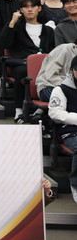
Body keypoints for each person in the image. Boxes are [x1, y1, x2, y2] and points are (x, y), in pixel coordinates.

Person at [1, 0, 55, 122]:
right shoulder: (16, 27)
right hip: (22, 63)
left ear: (39, 8)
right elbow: (5, 43)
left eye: (33, 6)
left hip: (44, 65)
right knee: (22, 72)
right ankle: (19, 110)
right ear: (21, 10)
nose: (29, 9)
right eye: (26, 7)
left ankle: (41, 108)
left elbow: (52, 51)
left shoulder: (48, 30)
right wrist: (12, 23)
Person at [47, 56, 77, 203]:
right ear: (72, 70)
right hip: (71, 131)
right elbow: (55, 113)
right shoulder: (61, 89)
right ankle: (75, 185)